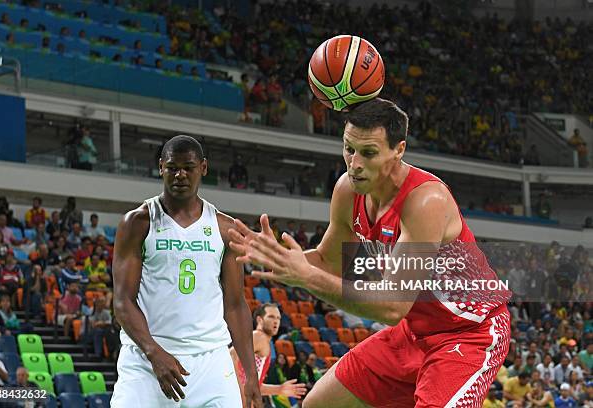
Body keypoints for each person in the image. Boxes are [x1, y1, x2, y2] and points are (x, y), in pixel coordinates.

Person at [229, 99, 511, 407]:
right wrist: (276, 257)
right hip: (412, 333)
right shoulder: (348, 192)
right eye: (349, 149)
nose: (355, 163)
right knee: (317, 405)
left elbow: (391, 306)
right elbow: (328, 261)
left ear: (398, 150)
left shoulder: (426, 201)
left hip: (469, 334)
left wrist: (306, 277)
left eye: (369, 153)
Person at [111, 135, 262, 407]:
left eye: (188, 168)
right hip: (147, 362)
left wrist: (250, 375)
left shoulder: (225, 228)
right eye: (172, 167)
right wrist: (154, 353)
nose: (180, 174)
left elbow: (236, 305)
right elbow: (122, 302)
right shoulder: (137, 222)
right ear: (161, 167)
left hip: (211, 361)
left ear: (203, 168)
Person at [230, 303, 306, 406]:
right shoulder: (259, 337)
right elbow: (232, 355)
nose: (276, 321)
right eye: (271, 317)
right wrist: (244, 400)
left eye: (278, 318)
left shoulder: (264, 342)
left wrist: (279, 389)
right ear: (259, 320)